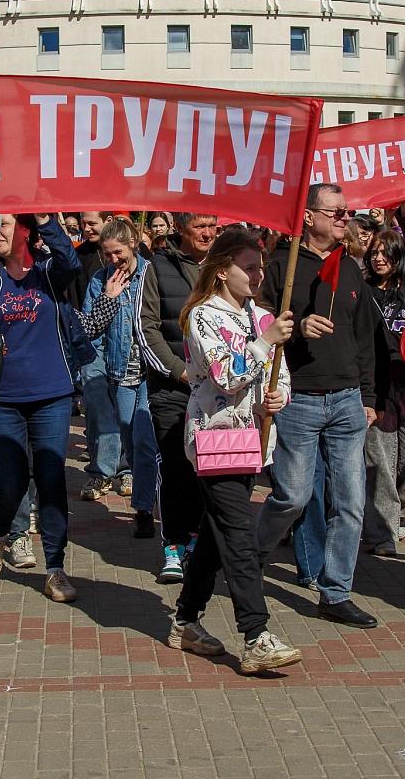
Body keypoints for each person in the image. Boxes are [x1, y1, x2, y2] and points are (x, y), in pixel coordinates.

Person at [170, 228, 302, 675]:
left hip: (252, 440)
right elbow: (227, 375)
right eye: (249, 267)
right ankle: (255, 634)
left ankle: (186, 619)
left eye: (261, 266)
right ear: (223, 270)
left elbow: (278, 374)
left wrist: (278, 395)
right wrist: (266, 342)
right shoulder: (204, 316)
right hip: (214, 438)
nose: (258, 274)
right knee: (239, 535)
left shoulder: (262, 316)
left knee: (216, 534)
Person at [255, 183, 380, 630]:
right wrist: (295, 327)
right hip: (299, 400)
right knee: (292, 496)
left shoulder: (350, 268)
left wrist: (368, 396)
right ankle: (249, 557)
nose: (346, 219)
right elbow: (259, 321)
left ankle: (336, 592)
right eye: (338, 212)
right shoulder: (280, 266)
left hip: (347, 400)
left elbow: (365, 336)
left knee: (349, 503)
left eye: (348, 213)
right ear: (309, 217)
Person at [0, 213, 84, 602]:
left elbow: (72, 263)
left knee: (50, 479)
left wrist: (47, 219)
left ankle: (55, 568)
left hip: (51, 393)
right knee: (11, 481)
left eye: (4, 225)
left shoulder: (47, 271)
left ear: (25, 232)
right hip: (1, 398)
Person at [83, 218, 167, 575]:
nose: (113, 260)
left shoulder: (153, 275)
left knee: (146, 443)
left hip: (152, 373)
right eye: (107, 254)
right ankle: (143, 494)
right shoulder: (100, 282)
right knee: (130, 442)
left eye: (118, 252)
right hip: (120, 374)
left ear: (133, 244)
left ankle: (144, 510)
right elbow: (90, 329)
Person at [141, 213, 218, 560]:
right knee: (176, 466)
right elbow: (146, 328)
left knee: (211, 468)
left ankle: (199, 540)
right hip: (173, 387)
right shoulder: (156, 267)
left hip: (217, 388)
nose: (208, 232)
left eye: (212, 224)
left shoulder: (224, 266)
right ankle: (173, 542)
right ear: (180, 228)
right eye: (200, 225)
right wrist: (179, 371)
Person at [361, 228, 405, 556]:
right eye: (374, 252)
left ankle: (404, 509)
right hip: (376, 385)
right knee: (379, 461)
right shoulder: (362, 291)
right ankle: (382, 531)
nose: (379, 258)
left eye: (386, 252)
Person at [70, 210, 126, 504]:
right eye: (83, 223)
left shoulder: (139, 269)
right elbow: (88, 311)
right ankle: (102, 471)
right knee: (98, 410)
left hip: (124, 347)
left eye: (92, 222)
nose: (86, 227)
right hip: (91, 343)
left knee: (126, 411)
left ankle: (125, 468)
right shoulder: (82, 259)